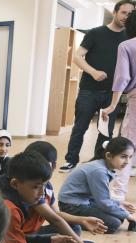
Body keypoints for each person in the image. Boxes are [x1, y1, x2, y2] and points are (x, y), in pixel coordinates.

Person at [2, 151, 100, 243]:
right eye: (36, 187)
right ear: (15, 184)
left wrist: (50, 242)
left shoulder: (29, 194)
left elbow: (55, 219)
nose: (42, 192)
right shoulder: (8, 208)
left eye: (45, 185)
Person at [60, 0, 135, 173]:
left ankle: (99, 162)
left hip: (113, 93)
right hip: (89, 89)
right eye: (123, 12)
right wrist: (93, 72)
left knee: (105, 131)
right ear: (115, 12)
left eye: (130, 14)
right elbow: (78, 57)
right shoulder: (95, 33)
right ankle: (71, 160)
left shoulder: (130, 38)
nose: (126, 17)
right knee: (80, 127)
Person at [25, 140, 108, 241]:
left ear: (54, 166)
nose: (39, 167)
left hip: (35, 232)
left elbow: (55, 213)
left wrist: (83, 220)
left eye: (44, 164)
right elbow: (54, 219)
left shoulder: (48, 187)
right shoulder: (26, 186)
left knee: (74, 227)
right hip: (24, 237)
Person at [59, 137, 136, 233]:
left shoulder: (103, 166)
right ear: (108, 155)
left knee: (119, 217)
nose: (127, 162)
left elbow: (101, 196)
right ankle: (69, 219)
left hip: (84, 201)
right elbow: (104, 202)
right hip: (71, 206)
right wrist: (128, 216)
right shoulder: (99, 171)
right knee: (114, 224)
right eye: (123, 156)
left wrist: (120, 203)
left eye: (130, 157)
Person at [102, 11, 136, 200]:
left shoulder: (127, 45)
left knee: (127, 149)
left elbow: (123, 77)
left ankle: (116, 197)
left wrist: (113, 105)